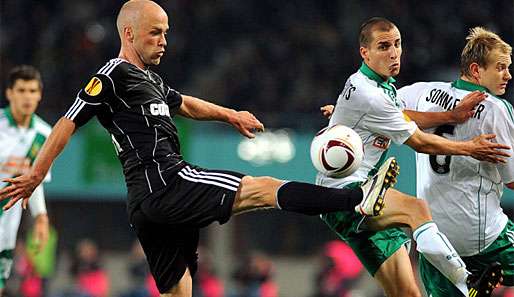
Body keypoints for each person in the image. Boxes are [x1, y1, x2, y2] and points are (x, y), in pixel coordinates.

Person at [0, 2, 400, 296]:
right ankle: (353, 199)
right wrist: (36, 175)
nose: (164, 40)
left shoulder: (151, 81)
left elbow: (186, 103)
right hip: (167, 182)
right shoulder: (112, 74)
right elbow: (68, 120)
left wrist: (231, 116)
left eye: (167, 32)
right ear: (129, 34)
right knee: (261, 188)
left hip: (148, 205)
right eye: (155, 32)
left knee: (179, 291)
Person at [316, 17, 509, 297]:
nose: (393, 53)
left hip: (370, 200)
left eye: (397, 44)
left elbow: (402, 116)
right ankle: (465, 279)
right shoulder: (370, 95)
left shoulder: (384, 88)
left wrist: (451, 116)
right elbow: (418, 141)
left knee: (408, 293)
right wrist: (470, 147)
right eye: (383, 46)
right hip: (347, 195)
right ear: (364, 52)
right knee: (416, 210)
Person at [397, 27, 514, 297]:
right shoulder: (495, 108)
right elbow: (511, 180)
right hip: (483, 236)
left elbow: (381, 108)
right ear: (476, 70)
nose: (508, 75)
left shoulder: (422, 92)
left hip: (434, 238)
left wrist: (340, 114)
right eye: (500, 68)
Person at [0, 65, 51, 295]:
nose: (27, 97)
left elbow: (34, 181)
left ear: (39, 95)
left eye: (32, 91)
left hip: (7, 229)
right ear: (9, 93)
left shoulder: (44, 134)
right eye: (21, 90)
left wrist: (40, 217)